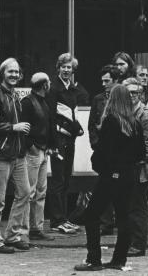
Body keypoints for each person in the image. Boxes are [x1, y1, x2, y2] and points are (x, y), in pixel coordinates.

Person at [73, 85, 143, 272]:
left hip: (111, 175)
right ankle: (119, 259)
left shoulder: (111, 121)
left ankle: (93, 259)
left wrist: (99, 166)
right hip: (128, 175)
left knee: (91, 215)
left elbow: (104, 152)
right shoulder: (134, 123)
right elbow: (141, 153)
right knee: (123, 217)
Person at [0, 58, 32, 253]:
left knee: (25, 193)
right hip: (0, 156)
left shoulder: (14, 95)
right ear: (2, 73)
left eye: (16, 72)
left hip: (17, 155)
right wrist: (14, 127)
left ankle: (12, 235)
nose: (14, 75)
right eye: (10, 71)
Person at [46, 53, 87, 235]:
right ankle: (57, 220)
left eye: (69, 67)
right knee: (58, 180)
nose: (66, 70)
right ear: (58, 67)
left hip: (69, 139)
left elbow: (83, 97)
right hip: (58, 139)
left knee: (66, 179)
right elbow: (51, 116)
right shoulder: (53, 88)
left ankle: (63, 218)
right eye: (63, 67)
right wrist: (53, 142)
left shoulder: (72, 88)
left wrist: (77, 128)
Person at [122, 78, 148, 257]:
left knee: (137, 207)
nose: (131, 96)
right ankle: (131, 242)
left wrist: (135, 160)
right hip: (128, 167)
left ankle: (138, 245)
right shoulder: (125, 112)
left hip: (141, 168)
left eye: (135, 93)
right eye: (128, 93)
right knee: (128, 206)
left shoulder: (145, 114)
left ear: (141, 94)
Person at [20, 72, 56, 241]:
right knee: (31, 191)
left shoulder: (38, 101)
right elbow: (25, 129)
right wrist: (32, 146)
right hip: (34, 151)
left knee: (40, 191)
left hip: (41, 150)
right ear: (45, 85)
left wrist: (48, 146)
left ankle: (36, 227)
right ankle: (27, 229)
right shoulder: (28, 103)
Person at [88, 64, 116, 236]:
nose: (104, 84)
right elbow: (92, 124)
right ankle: (106, 222)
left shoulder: (120, 97)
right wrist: (95, 144)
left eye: (107, 81)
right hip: (103, 149)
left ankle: (119, 220)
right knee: (104, 185)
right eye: (103, 81)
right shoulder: (98, 99)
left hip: (117, 149)